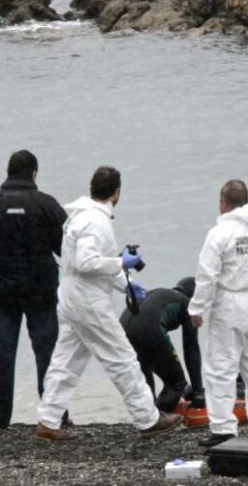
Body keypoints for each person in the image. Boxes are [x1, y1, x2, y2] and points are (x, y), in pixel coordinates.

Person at [35, 166, 183, 441]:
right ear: (116, 192)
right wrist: (120, 262)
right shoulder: (96, 222)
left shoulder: (80, 216)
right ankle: (147, 418)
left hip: (70, 298)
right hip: (89, 303)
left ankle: (49, 418)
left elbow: (85, 263)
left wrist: (125, 283)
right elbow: (86, 262)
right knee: (122, 358)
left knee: (66, 360)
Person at [0, 150, 68, 429]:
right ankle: (54, 417)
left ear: (8, 172)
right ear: (34, 173)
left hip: (1, 294)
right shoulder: (46, 205)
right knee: (48, 356)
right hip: (42, 293)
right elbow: (67, 250)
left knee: (3, 357)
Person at [189, 179, 248, 447]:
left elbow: (207, 275)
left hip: (231, 304)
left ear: (223, 203)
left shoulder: (220, 233)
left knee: (221, 368)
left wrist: (197, 308)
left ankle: (223, 428)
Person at [120, 277, 204, 413]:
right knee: (177, 384)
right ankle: (159, 418)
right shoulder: (189, 304)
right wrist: (198, 392)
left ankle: (148, 418)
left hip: (122, 332)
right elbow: (191, 349)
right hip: (149, 330)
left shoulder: (160, 293)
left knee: (145, 383)